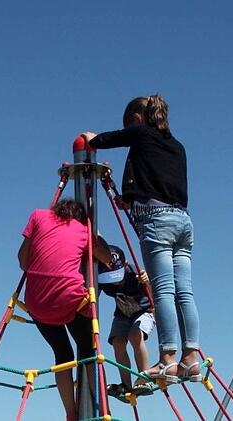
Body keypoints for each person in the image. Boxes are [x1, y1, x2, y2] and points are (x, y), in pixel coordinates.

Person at [83, 94, 202, 384]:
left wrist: (91, 139)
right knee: (184, 292)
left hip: (157, 223)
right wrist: (129, 200)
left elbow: (105, 140)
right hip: (183, 221)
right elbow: (157, 180)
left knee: (162, 291)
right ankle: (190, 360)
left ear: (137, 120)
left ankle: (168, 360)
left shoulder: (142, 133)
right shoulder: (176, 146)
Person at [18, 199, 111, 421]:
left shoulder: (38, 216)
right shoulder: (82, 230)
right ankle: (104, 410)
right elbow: (107, 259)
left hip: (36, 302)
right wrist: (94, 231)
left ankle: (71, 413)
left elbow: (23, 262)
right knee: (89, 352)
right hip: (69, 299)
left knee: (62, 354)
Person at [97, 242, 156, 398]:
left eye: (117, 275)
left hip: (145, 311)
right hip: (123, 313)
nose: (114, 281)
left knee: (135, 336)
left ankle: (144, 377)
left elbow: (153, 292)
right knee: (117, 342)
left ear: (125, 265)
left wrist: (147, 281)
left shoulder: (134, 274)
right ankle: (126, 384)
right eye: (109, 277)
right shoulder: (104, 281)